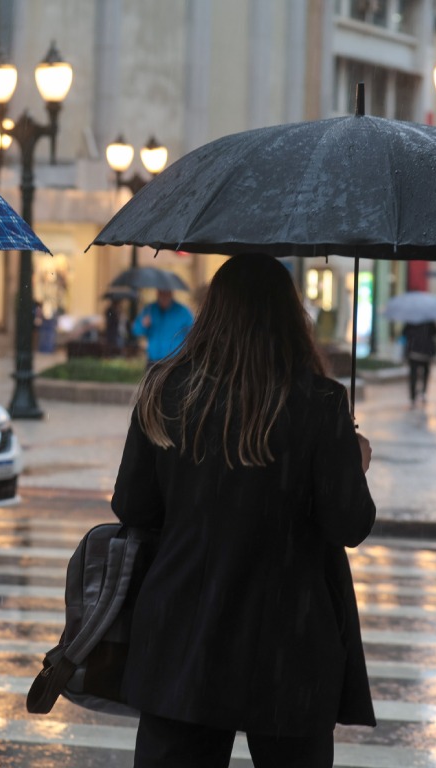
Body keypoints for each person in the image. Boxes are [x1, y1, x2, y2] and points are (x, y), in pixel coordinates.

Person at [111, 256, 377, 768]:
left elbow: (133, 506)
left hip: (184, 633)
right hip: (288, 644)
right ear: (290, 317)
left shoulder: (166, 390)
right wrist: (353, 463)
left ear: (212, 311)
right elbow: (350, 525)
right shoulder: (319, 403)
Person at [131, 288, 193, 365]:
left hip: (175, 359)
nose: (164, 297)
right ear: (157, 294)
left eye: (166, 294)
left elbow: (193, 332)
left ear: (171, 294)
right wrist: (143, 325)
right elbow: (136, 330)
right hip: (153, 360)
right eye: (161, 294)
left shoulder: (183, 311)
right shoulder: (150, 309)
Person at [402, 321, 436, 407]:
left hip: (414, 351)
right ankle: (423, 393)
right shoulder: (429, 321)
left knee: (413, 375)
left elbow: (404, 333)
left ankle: (413, 396)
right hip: (426, 352)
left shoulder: (411, 321)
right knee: (425, 374)